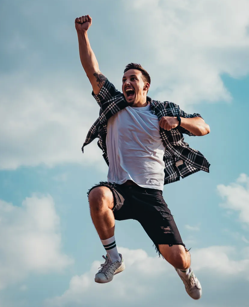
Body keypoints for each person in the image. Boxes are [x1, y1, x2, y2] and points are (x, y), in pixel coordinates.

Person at [75, 15, 210, 300]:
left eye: (132, 79)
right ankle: (114, 259)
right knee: (97, 195)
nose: (126, 82)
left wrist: (178, 121)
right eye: (124, 79)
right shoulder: (113, 102)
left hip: (151, 195)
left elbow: (203, 126)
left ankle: (186, 273)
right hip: (119, 189)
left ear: (145, 86)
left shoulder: (162, 110)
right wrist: (82, 34)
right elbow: (92, 70)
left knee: (179, 257)